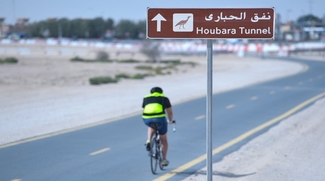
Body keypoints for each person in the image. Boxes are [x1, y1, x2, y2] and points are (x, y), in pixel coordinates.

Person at [142, 86, 174, 166]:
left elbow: (146, 108)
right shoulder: (164, 98)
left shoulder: (146, 98)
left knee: (151, 126)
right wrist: (170, 121)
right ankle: (164, 159)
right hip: (160, 119)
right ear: (161, 92)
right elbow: (170, 113)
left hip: (147, 118)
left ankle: (149, 140)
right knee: (164, 140)